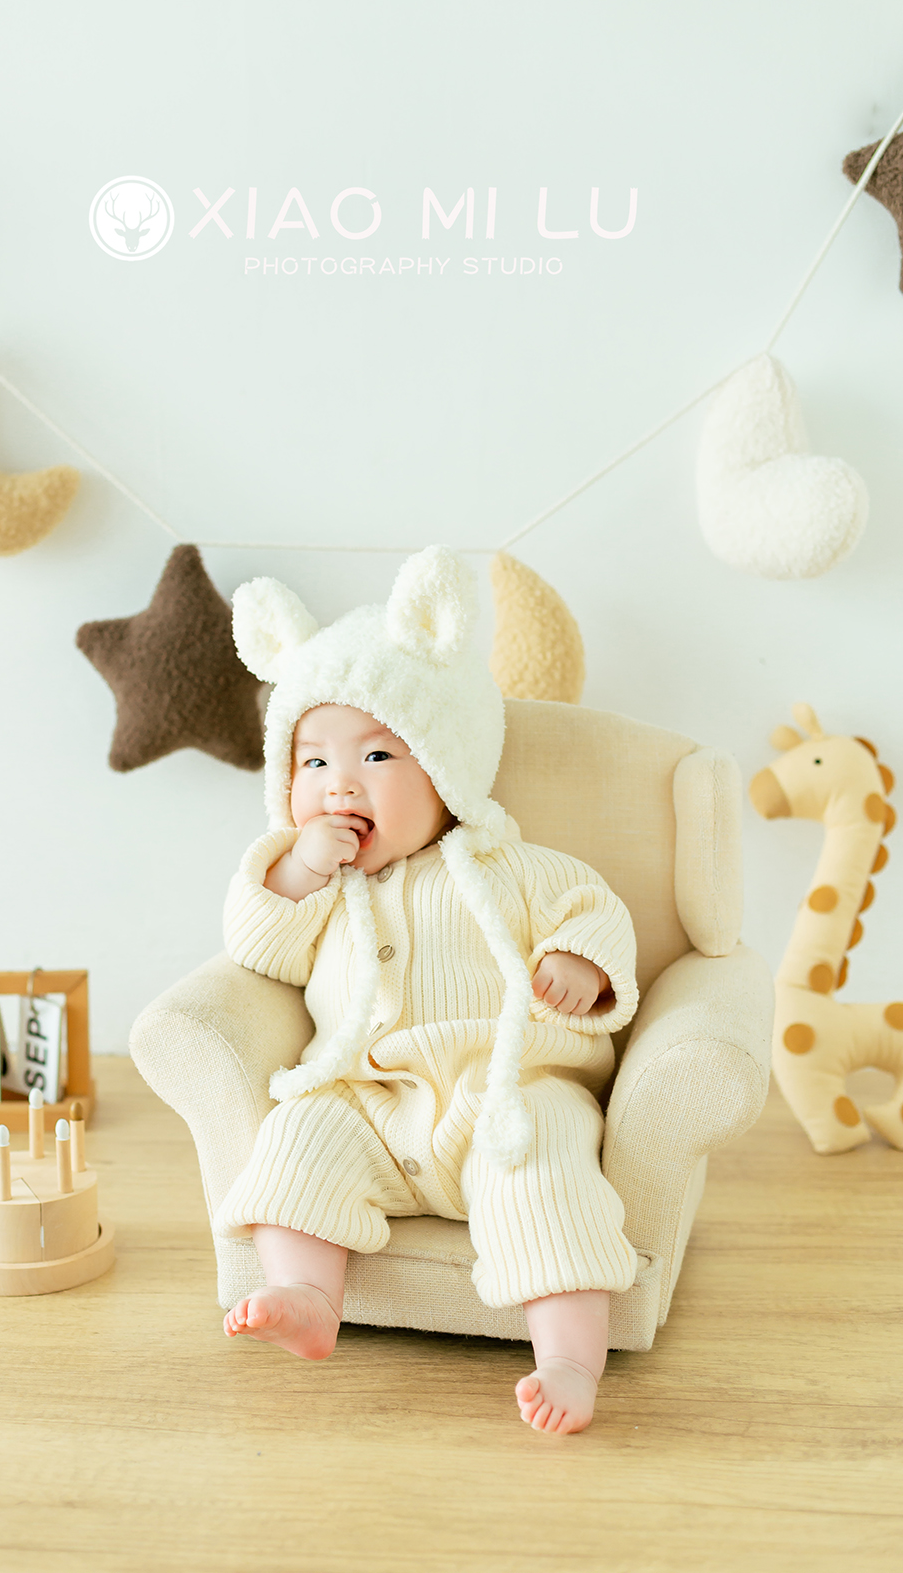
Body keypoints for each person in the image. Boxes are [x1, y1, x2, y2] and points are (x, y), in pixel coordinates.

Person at [214, 547, 639, 1434]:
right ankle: (307, 1296)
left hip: (504, 1096)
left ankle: (568, 1359)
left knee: (546, 1178)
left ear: (444, 768)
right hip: (368, 1101)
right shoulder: (322, 883)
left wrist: (582, 963)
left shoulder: (509, 865)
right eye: (312, 762)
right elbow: (260, 947)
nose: (339, 783)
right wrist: (297, 868)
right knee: (296, 1137)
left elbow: (593, 909)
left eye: (375, 755)